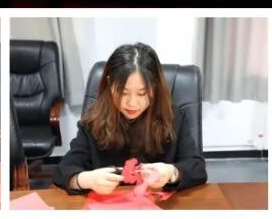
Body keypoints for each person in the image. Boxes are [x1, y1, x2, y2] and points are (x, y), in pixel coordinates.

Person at [54, 43, 207, 196]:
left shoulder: (173, 118)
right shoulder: (94, 120)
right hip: (109, 204)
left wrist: (171, 173)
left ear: (154, 87)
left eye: (142, 93)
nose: (132, 103)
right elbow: (64, 170)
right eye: (123, 92)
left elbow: (197, 168)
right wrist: (85, 180)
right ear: (109, 83)